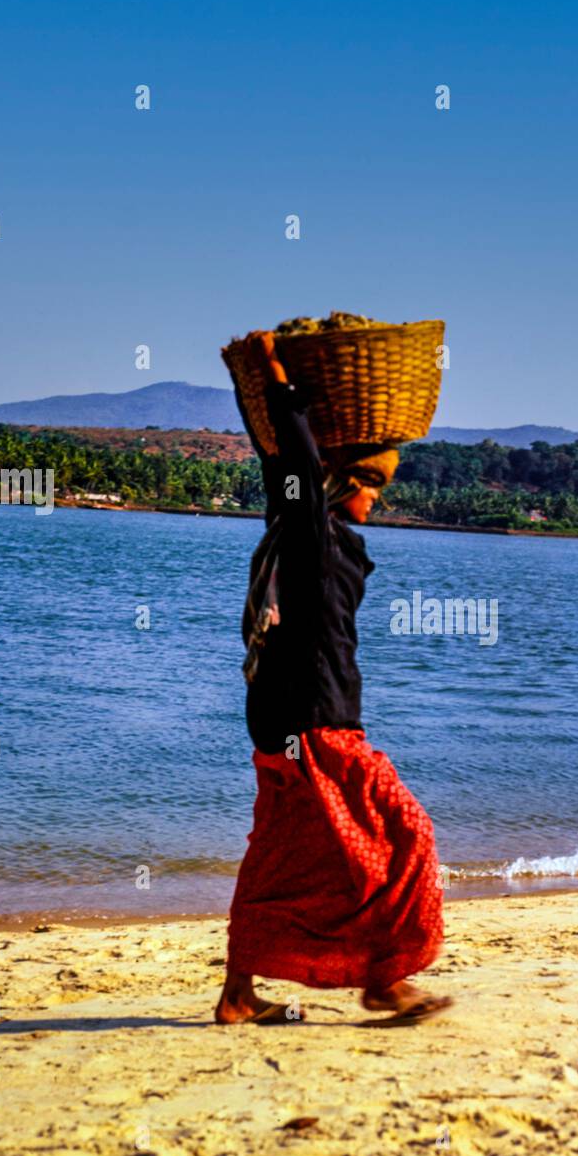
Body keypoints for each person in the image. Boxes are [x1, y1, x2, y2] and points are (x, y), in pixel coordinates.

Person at [216, 334, 450, 1026]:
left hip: (287, 713)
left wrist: (259, 382)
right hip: (312, 719)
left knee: (282, 859)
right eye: (373, 482)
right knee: (406, 836)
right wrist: (275, 385)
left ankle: (237, 995)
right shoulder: (308, 530)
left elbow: (273, 461)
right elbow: (287, 457)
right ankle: (382, 980)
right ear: (343, 480)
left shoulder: (300, 529)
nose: (377, 497)